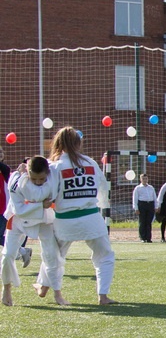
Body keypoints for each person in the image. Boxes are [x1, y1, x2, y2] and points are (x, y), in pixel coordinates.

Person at [45, 126, 116, 305]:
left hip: (65, 220)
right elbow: (103, 188)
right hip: (92, 218)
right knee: (104, 255)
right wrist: (102, 206)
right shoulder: (90, 163)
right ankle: (103, 296)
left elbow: (50, 195)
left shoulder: (55, 166)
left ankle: (44, 286)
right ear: (78, 143)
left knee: (54, 255)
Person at [2, 158, 63, 306]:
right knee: (8, 254)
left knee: (52, 254)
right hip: (18, 220)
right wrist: (41, 204)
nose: (37, 182)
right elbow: (19, 210)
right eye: (34, 178)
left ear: (47, 174)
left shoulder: (53, 179)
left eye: (41, 178)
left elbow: (55, 164)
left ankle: (57, 293)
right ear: (27, 173)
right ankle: (6, 289)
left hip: (43, 219)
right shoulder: (17, 182)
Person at [0, 148, 32, 268]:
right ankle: (22, 251)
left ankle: (22, 251)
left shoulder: (6, 170)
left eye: (1, 152)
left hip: (3, 209)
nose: (0, 154)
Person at [132, 173, 156, 243]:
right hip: (142, 204)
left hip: (150, 204)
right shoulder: (138, 188)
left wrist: (156, 206)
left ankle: (148, 237)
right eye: (143, 178)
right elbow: (135, 198)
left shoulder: (151, 187)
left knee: (149, 222)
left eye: (146, 178)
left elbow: (154, 197)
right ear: (140, 179)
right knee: (142, 222)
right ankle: (142, 237)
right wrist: (136, 208)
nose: (145, 180)